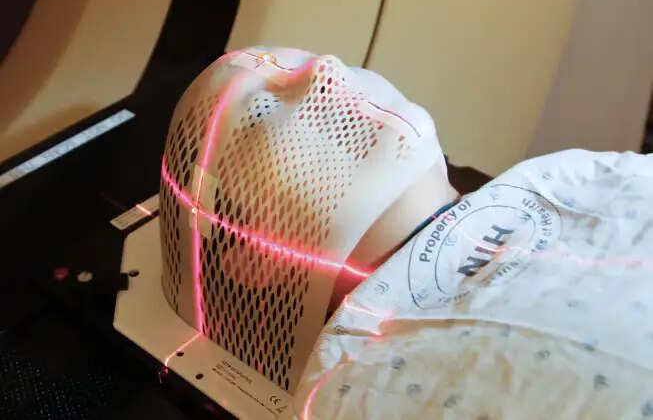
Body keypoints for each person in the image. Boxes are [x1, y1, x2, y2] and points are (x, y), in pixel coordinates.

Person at [160, 47, 653, 418]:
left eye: (306, 58)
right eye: (258, 114)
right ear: (255, 256)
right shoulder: (350, 395)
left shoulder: (581, 176)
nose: (324, 70)